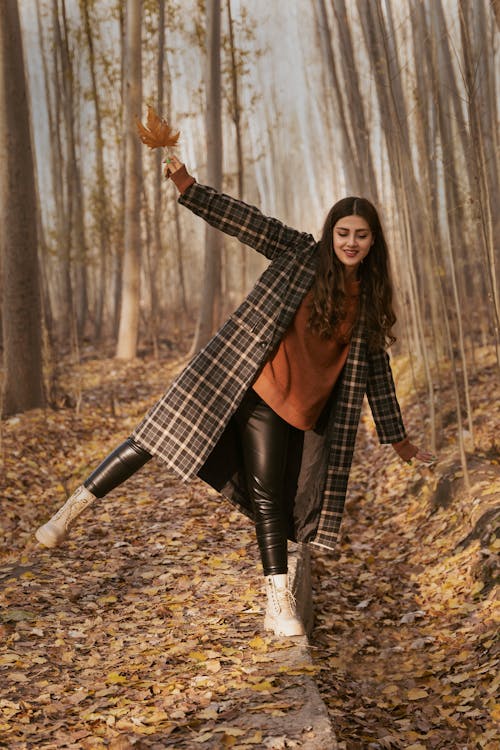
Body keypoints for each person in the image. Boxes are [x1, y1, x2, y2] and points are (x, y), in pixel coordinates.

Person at [35, 155, 435, 638]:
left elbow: (378, 374)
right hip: (250, 385)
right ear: (331, 234)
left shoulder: (368, 300)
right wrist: (187, 185)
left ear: (373, 243)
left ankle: (276, 601)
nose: (351, 242)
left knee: (277, 504)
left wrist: (399, 441)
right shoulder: (298, 255)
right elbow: (247, 222)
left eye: (361, 235)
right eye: (344, 232)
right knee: (159, 437)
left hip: (301, 413)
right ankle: (69, 512)